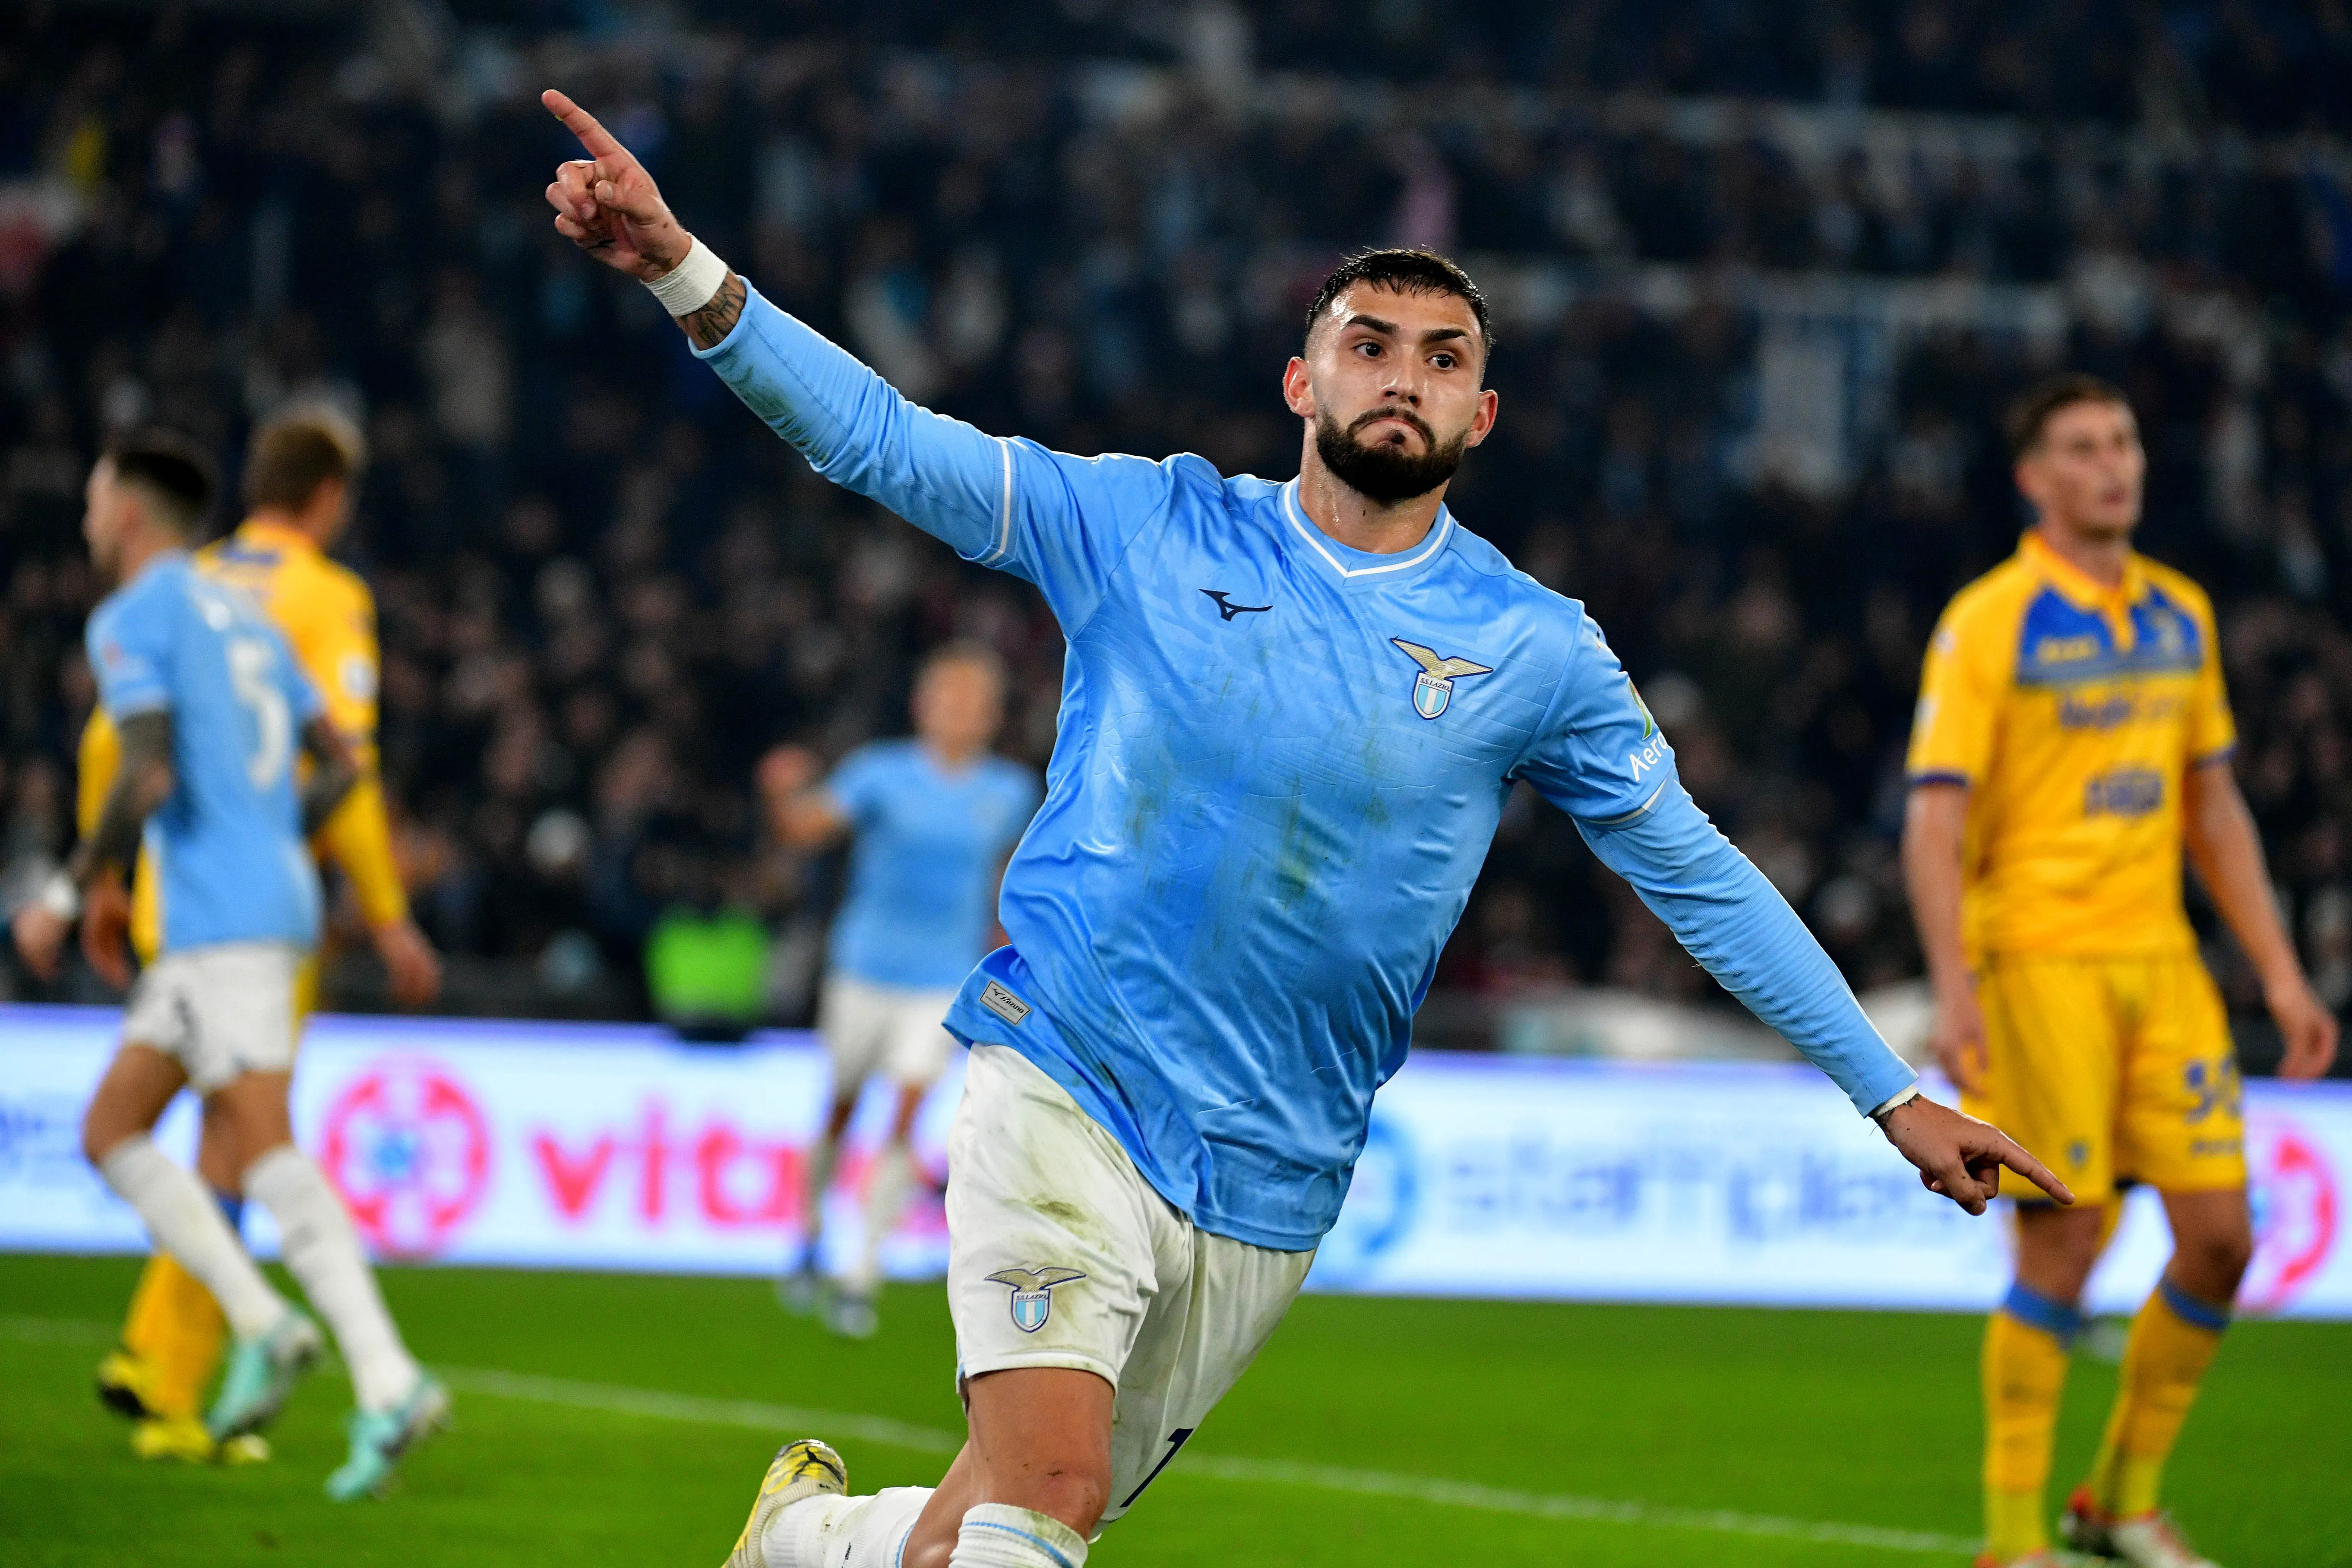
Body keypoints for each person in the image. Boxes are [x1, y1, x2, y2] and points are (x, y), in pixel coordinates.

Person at [540, 89, 2067, 1568]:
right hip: (1069, 1069)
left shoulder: (1535, 649)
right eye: (1369, 344)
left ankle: (808, 1538)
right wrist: (684, 268)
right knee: (1048, 1494)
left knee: (987, 1524)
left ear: (1482, 412)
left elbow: (1699, 876)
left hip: (1279, 1166)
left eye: (1444, 357)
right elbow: (882, 439)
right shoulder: (1145, 525)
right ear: (1302, 382)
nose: (1404, 376)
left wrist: (1890, 1092)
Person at [1902, 375, 2339, 1568]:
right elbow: (1935, 820)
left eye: (2125, 443)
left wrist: (2282, 973)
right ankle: (2013, 1541)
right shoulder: (1990, 621)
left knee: (2223, 1239)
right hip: (2039, 958)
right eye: (2084, 448)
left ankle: (2120, 1503)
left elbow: (2214, 805)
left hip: (2162, 962)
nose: (2113, 466)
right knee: (2064, 1240)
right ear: (2033, 479)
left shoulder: (2180, 614)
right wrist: (1955, 987)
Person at [10, 431, 450, 1501]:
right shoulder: (249, 615)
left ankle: (388, 1381)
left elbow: (143, 773)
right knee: (111, 1131)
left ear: (126, 513)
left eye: (94, 498)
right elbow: (344, 760)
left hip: (222, 926)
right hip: (253, 912)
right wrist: (273, 830)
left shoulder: (135, 616)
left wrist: (67, 894)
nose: (86, 517)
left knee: (262, 1153)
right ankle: (263, 1321)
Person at [762, 643, 1042, 1337]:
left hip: (943, 979)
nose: (960, 714)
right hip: (863, 968)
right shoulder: (880, 774)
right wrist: (780, 792)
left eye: (974, 704)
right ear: (923, 706)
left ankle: (861, 1274)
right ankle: (810, 1234)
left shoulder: (1009, 792)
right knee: (843, 1107)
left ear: (992, 716)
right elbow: (804, 830)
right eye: (950, 699)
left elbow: (1014, 887)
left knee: (907, 1114)